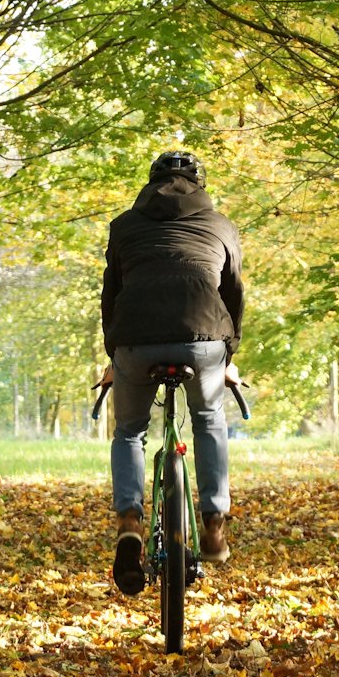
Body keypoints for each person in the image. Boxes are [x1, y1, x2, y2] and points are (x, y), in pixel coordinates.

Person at [99, 150, 244, 596]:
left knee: (128, 431)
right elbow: (233, 294)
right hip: (204, 341)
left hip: (135, 340)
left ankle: (128, 523)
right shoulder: (221, 226)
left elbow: (112, 295)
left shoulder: (124, 226)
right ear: (200, 185)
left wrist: (115, 355)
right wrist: (228, 354)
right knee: (208, 419)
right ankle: (214, 522)